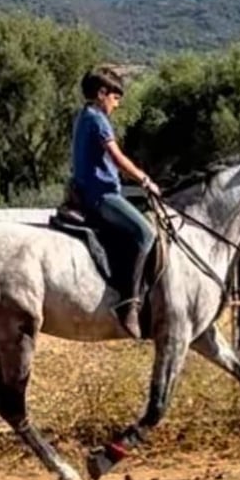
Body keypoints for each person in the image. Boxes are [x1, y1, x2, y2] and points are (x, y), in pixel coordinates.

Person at [71, 66, 161, 339]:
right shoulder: (97, 120)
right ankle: (129, 305)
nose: (117, 104)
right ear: (101, 94)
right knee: (146, 233)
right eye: (115, 97)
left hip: (88, 193)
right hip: (102, 196)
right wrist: (145, 180)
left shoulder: (83, 116)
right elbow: (117, 158)